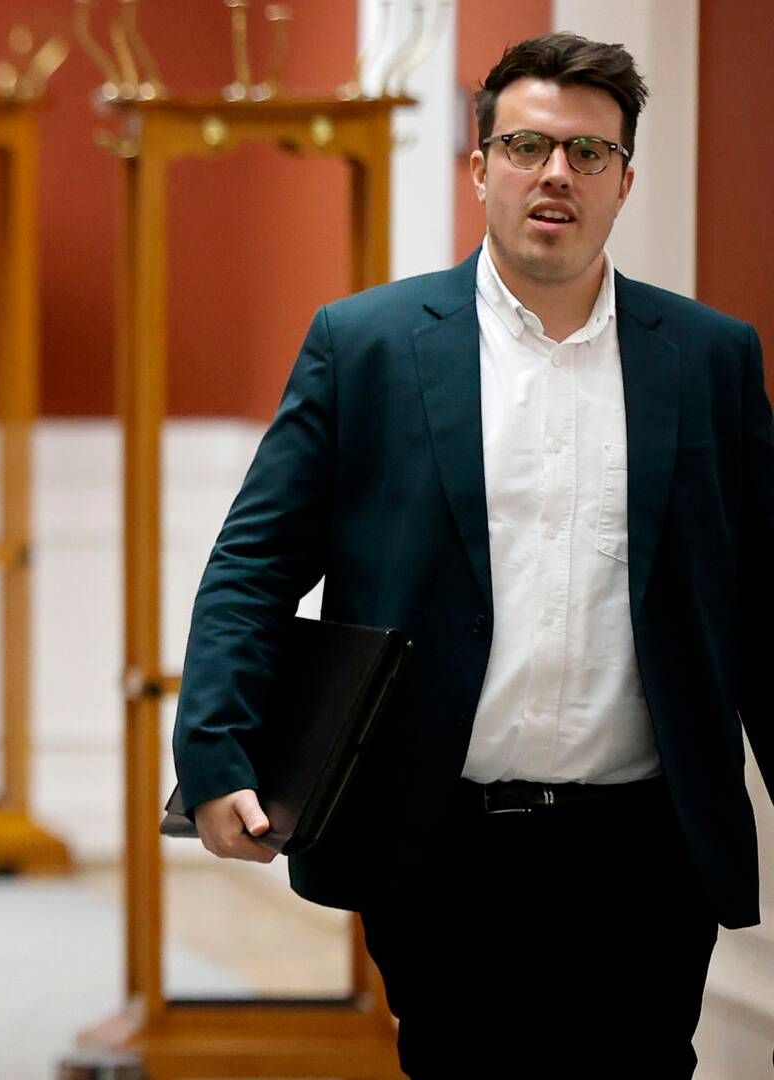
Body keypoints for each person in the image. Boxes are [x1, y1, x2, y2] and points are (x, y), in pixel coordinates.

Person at [171, 32, 771, 1078]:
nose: (556, 174)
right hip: (441, 839)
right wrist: (216, 754)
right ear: (480, 164)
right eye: (529, 144)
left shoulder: (712, 360)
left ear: (625, 180)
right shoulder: (367, 346)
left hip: (647, 847)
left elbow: (762, 594)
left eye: (589, 154)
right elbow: (254, 566)